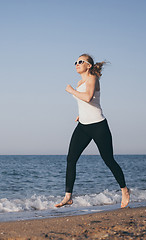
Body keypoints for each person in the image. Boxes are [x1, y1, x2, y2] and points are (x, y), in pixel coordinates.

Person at [55, 54, 130, 208]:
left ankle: (124, 190)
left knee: (108, 159)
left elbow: (88, 97)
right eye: (75, 62)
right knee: (71, 159)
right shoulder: (80, 81)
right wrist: (80, 115)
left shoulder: (93, 78)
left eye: (80, 62)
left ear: (88, 65)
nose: (76, 64)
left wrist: (70, 91)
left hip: (98, 126)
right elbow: (86, 103)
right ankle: (68, 196)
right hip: (83, 125)